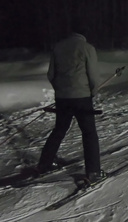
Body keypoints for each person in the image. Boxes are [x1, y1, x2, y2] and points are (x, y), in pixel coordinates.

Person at [36, 21, 105, 183]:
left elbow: (51, 74)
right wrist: (92, 92)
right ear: (84, 34)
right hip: (82, 97)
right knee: (88, 133)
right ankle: (93, 171)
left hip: (62, 98)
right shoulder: (87, 48)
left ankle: (43, 165)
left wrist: (60, 90)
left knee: (59, 130)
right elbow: (93, 76)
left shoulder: (58, 47)